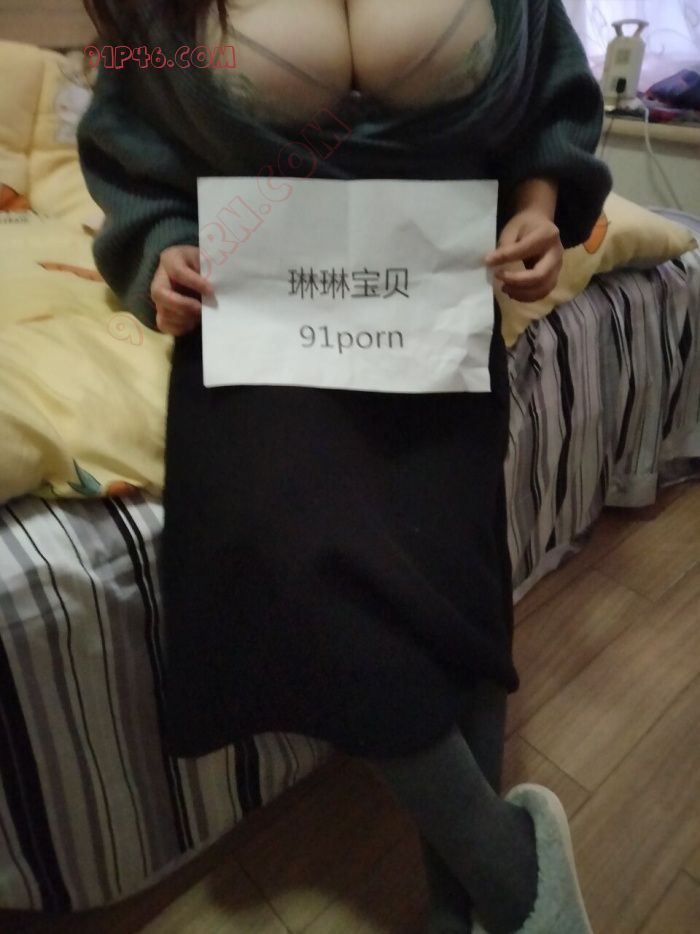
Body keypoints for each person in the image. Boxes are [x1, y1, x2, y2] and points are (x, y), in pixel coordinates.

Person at [78, 2, 612, 931]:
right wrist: (159, 250)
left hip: (433, 319)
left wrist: (536, 212)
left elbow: (550, 103)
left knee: (451, 583)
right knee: (314, 585)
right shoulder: (151, 15)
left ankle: (463, 911)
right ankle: (517, 877)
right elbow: (133, 147)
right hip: (262, 335)